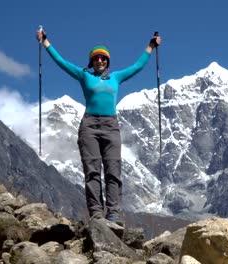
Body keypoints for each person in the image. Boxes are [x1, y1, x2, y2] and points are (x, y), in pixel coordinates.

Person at [36, 28, 161, 226]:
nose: (100, 61)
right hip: (90, 126)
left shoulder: (116, 77)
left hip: (111, 126)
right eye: (96, 58)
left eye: (103, 58)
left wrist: (151, 46)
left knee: (113, 171)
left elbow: (137, 66)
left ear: (108, 61)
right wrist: (45, 42)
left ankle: (114, 214)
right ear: (91, 62)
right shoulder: (85, 75)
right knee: (92, 171)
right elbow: (62, 63)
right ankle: (96, 213)